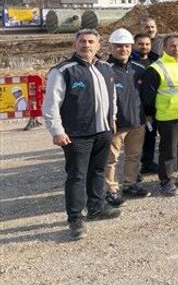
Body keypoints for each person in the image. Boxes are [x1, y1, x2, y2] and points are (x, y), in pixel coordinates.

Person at [43, 29, 121, 240]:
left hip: (103, 132)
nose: (86, 45)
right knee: (77, 176)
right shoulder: (63, 71)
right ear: (75, 44)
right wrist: (56, 131)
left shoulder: (105, 67)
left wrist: (112, 119)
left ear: (98, 45)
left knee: (97, 171)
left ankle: (96, 207)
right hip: (76, 135)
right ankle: (76, 218)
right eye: (82, 41)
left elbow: (111, 97)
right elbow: (51, 104)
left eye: (91, 41)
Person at [141, 34, 178, 196]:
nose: (177, 49)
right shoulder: (156, 68)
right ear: (164, 48)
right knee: (169, 152)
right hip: (169, 118)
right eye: (172, 46)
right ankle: (166, 181)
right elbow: (148, 97)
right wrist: (150, 115)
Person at [104, 28, 149, 207]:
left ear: (131, 47)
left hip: (137, 121)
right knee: (111, 159)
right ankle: (111, 189)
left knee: (134, 155)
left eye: (126, 46)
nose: (123, 49)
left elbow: (144, 95)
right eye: (119, 46)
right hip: (116, 124)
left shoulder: (139, 69)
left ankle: (130, 184)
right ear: (112, 48)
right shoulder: (105, 70)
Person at [135, 33, 160, 176]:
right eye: (140, 44)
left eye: (147, 44)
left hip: (153, 106)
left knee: (151, 136)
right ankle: (133, 171)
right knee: (136, 140)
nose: (144, 47)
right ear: (134, 45)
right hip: (136, 107)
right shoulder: (129, 61)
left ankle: (148, 163)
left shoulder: (156, 60)